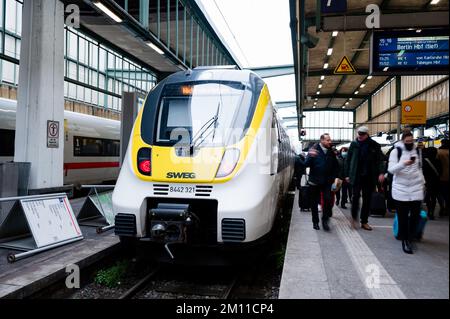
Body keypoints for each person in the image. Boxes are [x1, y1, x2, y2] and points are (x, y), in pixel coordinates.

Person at [388, 129, 425, 254]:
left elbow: (420, 168)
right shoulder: (395, 151)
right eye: (407, 141)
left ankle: (410, 238)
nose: (409, 143)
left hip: (416, 188)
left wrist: (423, 183)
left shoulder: (418, 151)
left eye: (411, 141)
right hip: (400, 189)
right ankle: (405, 240)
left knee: (415, 216)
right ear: (403, 141)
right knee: (403, 217)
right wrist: (404, 164)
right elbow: (391, 170)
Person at [344, 126, 385, 230]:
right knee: (355, 197)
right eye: (359, 134)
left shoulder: (374, 145)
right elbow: (348, 160)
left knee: (367, 200)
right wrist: (347, 175)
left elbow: (379, 160)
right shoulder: (353, 145)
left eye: (362, 134)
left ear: (367, 134)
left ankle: (364, 221)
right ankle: (353, 219)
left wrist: (381, 173)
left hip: (369, 176)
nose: (360, 136)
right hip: (356, 176)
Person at [303, 133, 339, 231]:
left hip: (327, 181)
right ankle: (315, 222)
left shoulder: (331, 152)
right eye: (328, 140)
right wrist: (310, 156)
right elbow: (305, 164)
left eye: (330, 140)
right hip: (315, 181)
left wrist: (337, 178)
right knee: (314, 203)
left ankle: (325, 220)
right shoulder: (314, 150)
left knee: (327, 200)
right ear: (322, 140)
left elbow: (336, 166)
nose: (330, 142)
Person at [422, 147, 440, 220]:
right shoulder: (438, 161)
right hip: (435, 181)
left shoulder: (424, 161)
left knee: (427, 197)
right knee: (433, 197)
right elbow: (440, 171)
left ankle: (429, 211)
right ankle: (431, 212)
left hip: (426, 182)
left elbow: (423, 171)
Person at [436, 139, 449, 216]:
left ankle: (442, 207)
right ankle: (447, 208)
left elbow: (436, 164)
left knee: (440, 193)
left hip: (441, 176)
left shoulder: (439, 152)